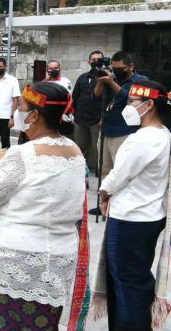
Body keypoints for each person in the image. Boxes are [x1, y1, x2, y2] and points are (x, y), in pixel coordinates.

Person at [0, 82, 89, 330]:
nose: (17, 112)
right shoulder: (75, 151)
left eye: (21, 106)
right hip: (59, 260)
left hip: (16, 260)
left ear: (33, 115)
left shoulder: (23, 154)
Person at [92, 81, 171, 331]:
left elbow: (119, 174)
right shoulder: (163, 134)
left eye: (132, 103)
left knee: (128, 282)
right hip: (145, 216)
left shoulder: (146, 138)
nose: (127, 107)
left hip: (132, 219)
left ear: (150, 105)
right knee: (131, 278)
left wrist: (104, 192)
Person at [90, 51, 147, 215]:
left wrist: (112, 82)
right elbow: (95, 97)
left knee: (121, 170)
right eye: (114, 68)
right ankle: (104, 203)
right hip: (107, 129)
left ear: (131, 66)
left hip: (125, 131)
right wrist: (101, 81)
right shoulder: (111, 76)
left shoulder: (140, 81)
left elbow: (128, 98)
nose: (116, 71)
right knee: (105, 169)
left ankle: (119, 206)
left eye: (120, 68)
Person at [72, 51, 104, 180]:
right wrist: (74, 113)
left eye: (98, 59)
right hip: (80, 118)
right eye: (93, 59)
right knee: (80, 146)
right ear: (88, 61)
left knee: (97, 148)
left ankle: (97, 171)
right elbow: (75, 97)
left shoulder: (106, 78)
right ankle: (80, 170)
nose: (95, 61)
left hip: (97, 119)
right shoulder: (82, 77)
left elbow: (108, 99)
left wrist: (103, 117)